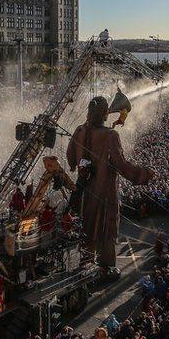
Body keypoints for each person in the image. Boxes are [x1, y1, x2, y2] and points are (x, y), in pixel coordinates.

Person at [66, 96, 154, 281]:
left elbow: (70, 158)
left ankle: (85, 262)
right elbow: (121, 165)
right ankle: (106, 267)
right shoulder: (111, 135)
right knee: (107, 229)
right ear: (105, 114)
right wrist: (144, 174)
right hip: (105, 193)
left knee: (86, 227)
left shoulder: (79, 130)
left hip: (84, 191)